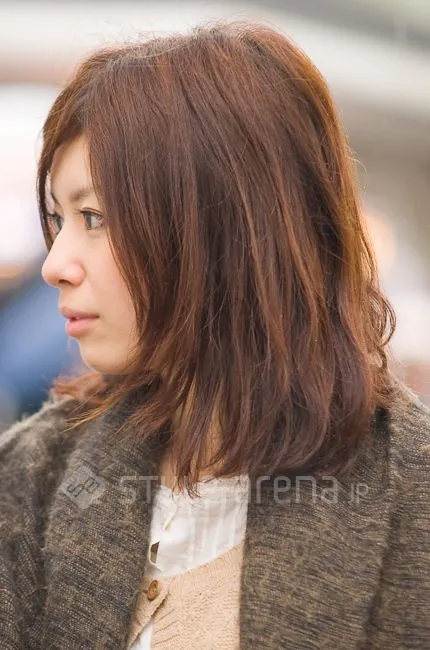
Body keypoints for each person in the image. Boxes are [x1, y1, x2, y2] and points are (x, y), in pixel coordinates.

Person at [1, 19, 430, 650]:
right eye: (58, 219)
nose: (54, 264)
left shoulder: (410, 492)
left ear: (226, 226)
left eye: (93, 217)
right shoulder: (31, 473)